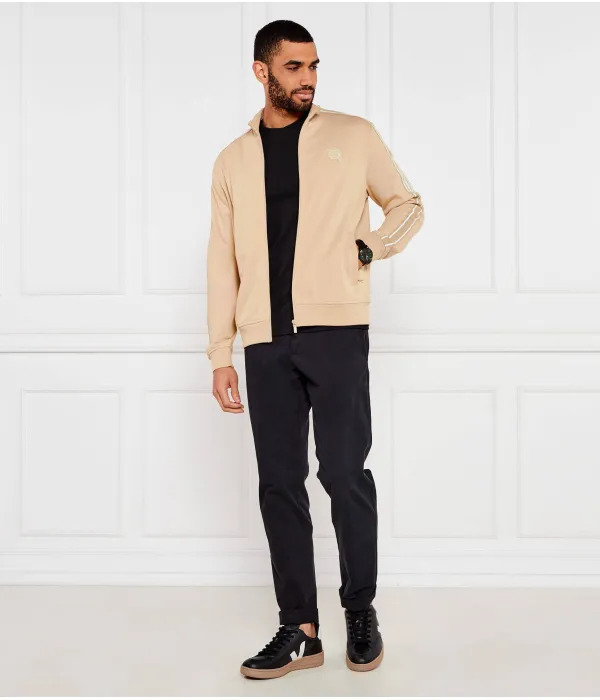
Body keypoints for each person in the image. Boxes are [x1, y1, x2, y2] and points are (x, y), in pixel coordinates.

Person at [206, 19, 424, 680]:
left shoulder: (352, 136)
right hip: (265, 339)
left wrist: (371, 247)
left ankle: (360, 611)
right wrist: (220, 352)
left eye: (314, 66)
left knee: (344, 474)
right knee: (279, 484)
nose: (308, 79)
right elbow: (221, 259)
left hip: (336, 333)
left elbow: (407, 205)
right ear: (262, 71)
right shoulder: (232, 160)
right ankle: (299, 629)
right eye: (294, 67)